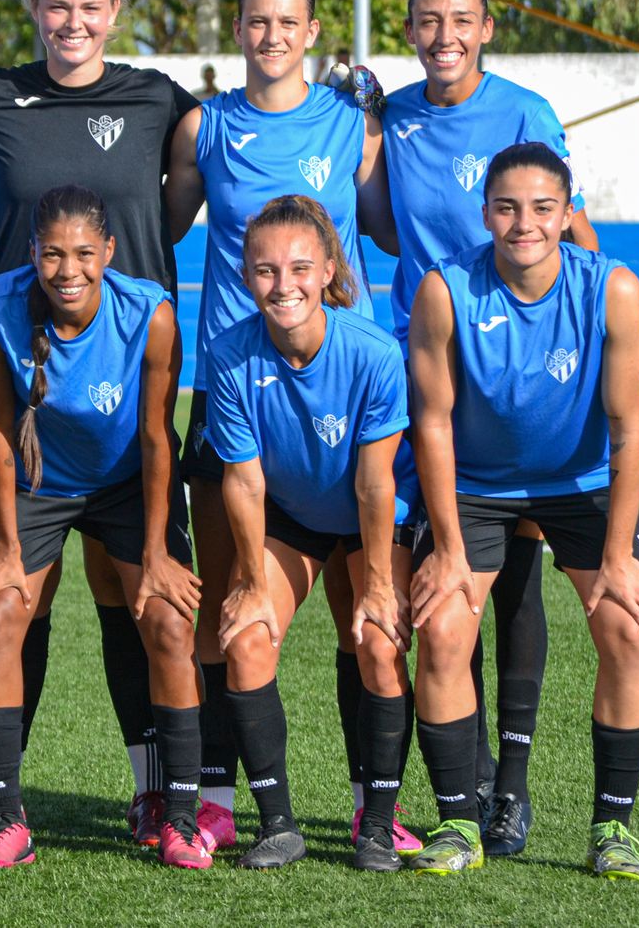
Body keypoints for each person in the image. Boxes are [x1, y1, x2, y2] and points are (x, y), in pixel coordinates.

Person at [0, 0, 201, 848]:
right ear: (35, 10)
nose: (73, 22)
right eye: (58, 5)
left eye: (90, 6)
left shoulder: (159, 100)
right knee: (19, 595)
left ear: (116, 11)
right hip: (30, 403)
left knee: (133, 597)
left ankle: (156, 794)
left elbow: (200, 183)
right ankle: (0, 793)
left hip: (127, 389)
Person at [163, 0, 405, 852]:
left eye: (287, 22)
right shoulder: (205, 126)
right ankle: (223, 800)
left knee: (364, 618)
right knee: (231, 608)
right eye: (256, 22)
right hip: (235, 384)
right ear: (239, 31)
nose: (271, 37)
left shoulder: (352, 127)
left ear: (313, 33)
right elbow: (157, 224)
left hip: (341, 384)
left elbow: (383, 227)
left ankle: (364, 803)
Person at [381, 0, 601, 857]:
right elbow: (366, 217)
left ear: (486, 29)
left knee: (515, 572)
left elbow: (561, 223)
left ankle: (509, 786)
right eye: (429, 20)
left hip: (512, 365)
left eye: (460, 21)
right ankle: (461, 780)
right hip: (426, 365)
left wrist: (584, 326)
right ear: (410, 28)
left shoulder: (526, 111)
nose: (444, 36)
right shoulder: (385, 118)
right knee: (443, 578)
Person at [405, 142, 639, 880]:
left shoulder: (612, 290)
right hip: (476, 485)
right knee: (445, 626)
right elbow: (434, 424)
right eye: (508, 208)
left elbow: (631, 432)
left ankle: (613, 829)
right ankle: (458, 822)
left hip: (581, 484)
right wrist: (448, 549)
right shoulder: (445, 292)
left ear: (567, 212)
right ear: (486, 214)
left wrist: (618, 560)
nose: (525, 224)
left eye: (543, 208)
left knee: (628, 630)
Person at [0, 185, 205, 869]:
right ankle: (6, 815)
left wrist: (157, 552)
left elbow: (160, 438)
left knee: (167, 617)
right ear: (33, 255)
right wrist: (7, 548)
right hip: (38, 483)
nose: (66, 271)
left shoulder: (150, 315)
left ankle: (179, 815)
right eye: (51, 255)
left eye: (81, 254)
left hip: (128, 484)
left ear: (108, 251)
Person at [203, 195, 418, 871]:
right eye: (265, 270)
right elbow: (242, 482)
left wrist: (378, 587)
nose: (283, 284)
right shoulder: (228, 355)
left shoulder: (375, 354)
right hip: (290, 518)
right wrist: (249, 582)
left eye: (299, 267)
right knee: (245, 637)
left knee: (379, 643)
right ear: (246, 276)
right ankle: (277, 825)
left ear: (328, 269)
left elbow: (375, 484)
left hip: (366, 518)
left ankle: (378, 824)